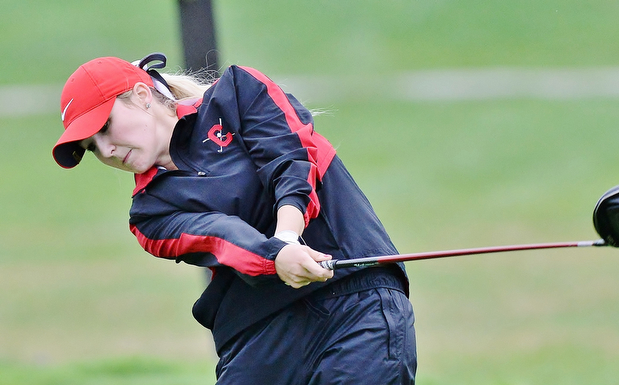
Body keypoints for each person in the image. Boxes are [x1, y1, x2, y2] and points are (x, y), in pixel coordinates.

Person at [52, 53, 416, 384]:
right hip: (257, 334)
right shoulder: (149, 214)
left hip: (358, 301)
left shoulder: (239, 92)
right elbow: (220, 236)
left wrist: (288, 238)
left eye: (104, 128)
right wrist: (276, 256)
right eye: (91, 148)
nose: (106, 150)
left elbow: (291, 165)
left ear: (142, 96)